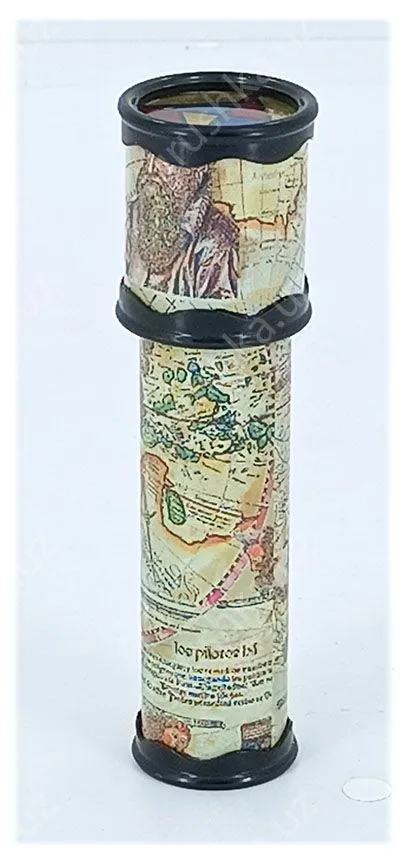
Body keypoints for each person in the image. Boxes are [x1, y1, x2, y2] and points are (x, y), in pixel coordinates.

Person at [126, 152, 239, 300]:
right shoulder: (134, 212)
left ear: (197, 169)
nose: (151, 168)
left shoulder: (216, 241)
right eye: (149, 156)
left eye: (166, 160)